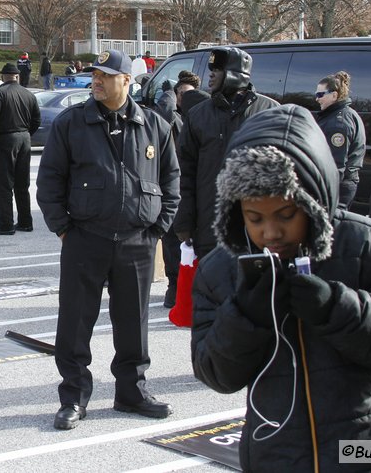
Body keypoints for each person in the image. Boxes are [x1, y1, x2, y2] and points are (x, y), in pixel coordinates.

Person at [191, 104, 371, 470]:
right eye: (255, 218)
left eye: (286, 215)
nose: (271, 233)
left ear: (314, 201)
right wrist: (245, 318)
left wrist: (337, 306)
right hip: (279, 453)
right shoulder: (220, 270)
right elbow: (215, 374)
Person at [37, 49, 180, 430]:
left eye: (105, 75)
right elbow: (49, 180)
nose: (96, 81)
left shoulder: (154, 125)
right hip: (85, 237)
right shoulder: (72, 124)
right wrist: (64, 228)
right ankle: (73, 398)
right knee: (75, 323)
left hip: (137, 240)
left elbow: (171, 181)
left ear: (126, 81)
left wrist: (157, 229)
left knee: (133, 323)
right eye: (94, 75)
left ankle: (131, 393)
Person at [175, 47, 279, 259]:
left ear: (236, 73)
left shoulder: (270, 112)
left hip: (257, 226)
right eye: (211, 69)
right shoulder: (198, 115)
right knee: (212, 287)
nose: (211, 74)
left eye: (218, 69)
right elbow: (184, 170)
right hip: (210, 223)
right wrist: (184, 221)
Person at [157, 70, 201, 309]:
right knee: (173, 238)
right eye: (181, 93)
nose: (186, 99)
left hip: (196, 185)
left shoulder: (203, 116)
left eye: (190, 94)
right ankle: (174, 285)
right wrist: (168, 97)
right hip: (174, 184)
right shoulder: (171, 115)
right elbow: (161, 119)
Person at [0, 63, 40, 235]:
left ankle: (6, 224)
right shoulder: (29, 94)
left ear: (2, 77)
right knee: (22, 184)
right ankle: (25, 221)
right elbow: (37, 119)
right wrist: (27, 133)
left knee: (3, 184)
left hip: (7, 139)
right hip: (24, 138)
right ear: (18, 77)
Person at [314, 71, 366, 209]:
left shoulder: (338, 124)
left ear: (334, 95)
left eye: (320, 94)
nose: (317, 99)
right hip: (343, 185)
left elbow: (337, 166)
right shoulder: (345, 115)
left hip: (338, 187)